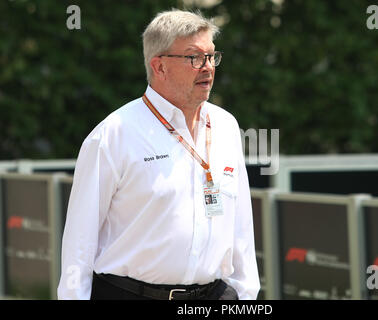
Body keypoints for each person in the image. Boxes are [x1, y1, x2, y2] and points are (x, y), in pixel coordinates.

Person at [57, 9, 260, 300]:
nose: (208, 67)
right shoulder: (113, 135)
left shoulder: (226, 126)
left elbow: (241, 229)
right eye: (194, 57)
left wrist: (245, 296)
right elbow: (79, 242)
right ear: (159, 67)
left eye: (212, 56)